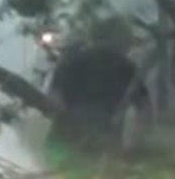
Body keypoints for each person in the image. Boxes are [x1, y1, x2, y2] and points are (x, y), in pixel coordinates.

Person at [45, 17, 151, 164]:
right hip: (104, 149)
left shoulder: (71, 61)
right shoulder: (126, 68)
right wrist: (134, 144)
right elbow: (144, 109)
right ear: (117, 39)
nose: (129, 46)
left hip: (64, 143)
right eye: (126, 39)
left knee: (62, 177)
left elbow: (54, 100)